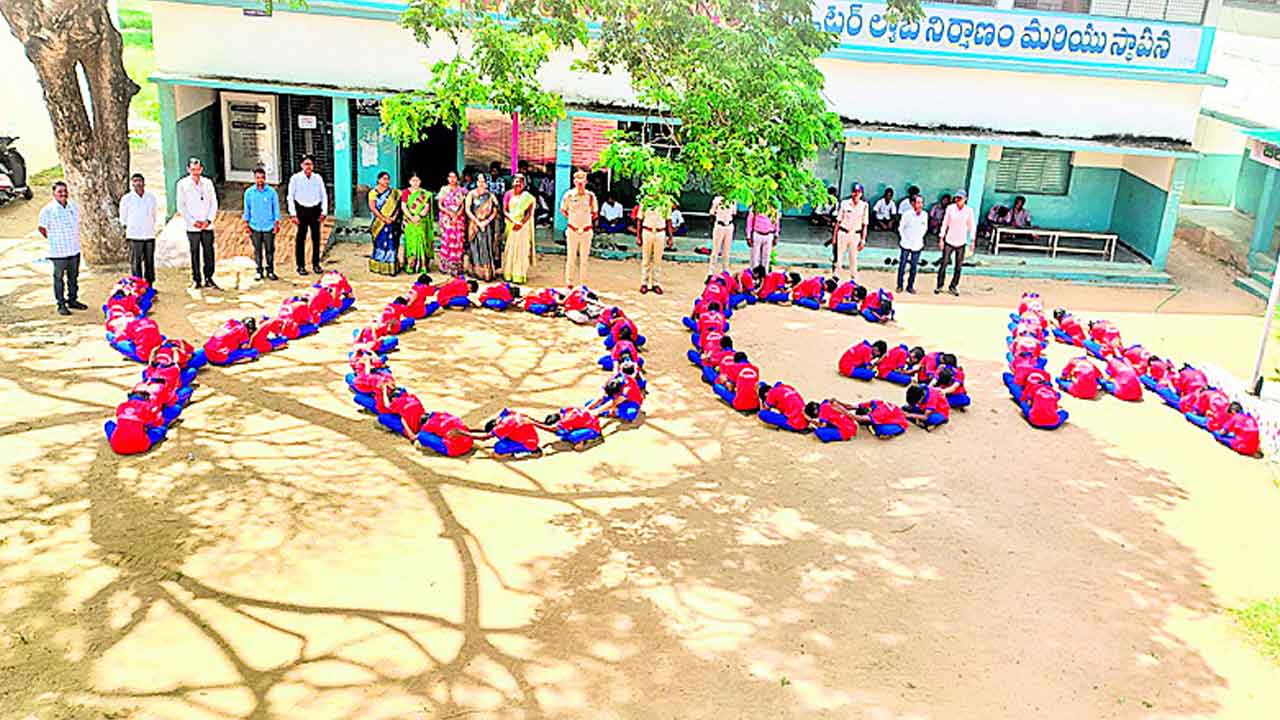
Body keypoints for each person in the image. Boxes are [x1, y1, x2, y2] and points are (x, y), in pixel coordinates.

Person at [38, 181, 87, 316]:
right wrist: (53, 239)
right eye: (60, 191)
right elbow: (42, 228)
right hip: (58, 251)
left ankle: (73, 300)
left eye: (65, 191)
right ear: (54, 193)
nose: (63, 194)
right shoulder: (48, 210)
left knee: (73, 277)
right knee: (58, 279)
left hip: (74, 248)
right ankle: (61, 304)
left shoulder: (73, 206)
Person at [175, 157, 219, 290]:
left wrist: (209, 220)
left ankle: (209, 277)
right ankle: (196, 279)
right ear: (188, 169)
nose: (195, 172)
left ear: (201, 169)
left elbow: (214, 202)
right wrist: (193, 221)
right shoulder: (182, 184)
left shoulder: (207, 183)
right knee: (194, 252)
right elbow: (181, 206)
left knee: (209, 252)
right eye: (192, 169)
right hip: (192, 226)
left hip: (207, 224)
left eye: (197, 169)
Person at [119, 173, 162, 287]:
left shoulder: (151, 197)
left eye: (140, 181)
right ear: (132, 183)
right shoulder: (127, 199)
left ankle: (149, 285)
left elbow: (154, 215)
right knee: (136, 261)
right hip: (135, 235)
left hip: (149, 233)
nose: (137, 183)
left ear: (144, 182)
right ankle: (138, 285)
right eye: (135, 181)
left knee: (149, 261)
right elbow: (123, 218)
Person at [241, 167, 281, 281]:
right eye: (258, 178)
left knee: (270, 250)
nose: (260, 180)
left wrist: (276, 223)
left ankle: (270, 270)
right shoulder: (249, 193)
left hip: (268, 226)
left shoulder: (272, 192)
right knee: (257, 250)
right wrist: (246, 224)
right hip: (255, 226)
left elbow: (276, 209)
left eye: (262, 178)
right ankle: (259, 271)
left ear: (265, 178)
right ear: (254, 179)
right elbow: (247, 209)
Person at [560, 170, 598, 287]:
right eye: (578, 181)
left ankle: (583, 284)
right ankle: (569, 283)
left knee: (584, 259)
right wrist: (573, 220)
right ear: (574, 182)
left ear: (586, 181)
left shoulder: (590, 196)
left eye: (582, 181)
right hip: (572, 231)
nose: (580, 184)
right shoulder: (569, 195)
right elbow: (563, 210)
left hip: (586, 231)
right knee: (571, 258)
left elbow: (595, 212)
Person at [936, 188, 975, 296]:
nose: (958, 200)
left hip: (961, 242)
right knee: (944, 264)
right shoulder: (950, 208)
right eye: (956, 198)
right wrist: (941, 238)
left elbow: (971, 226)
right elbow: (945, 223)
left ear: (965, 199)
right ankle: (939, 285)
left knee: (958, 266)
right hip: (949, 240)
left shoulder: (969, 211)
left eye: (960, 198)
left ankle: (953, 286)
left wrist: (972, 240)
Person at [464, 173, 502, 281]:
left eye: (484, 181)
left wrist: (486, 221)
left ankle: (487, 272)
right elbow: (467, 210)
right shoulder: (471, 194)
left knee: (486, 247)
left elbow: (495, 211)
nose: (482, 183)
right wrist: (477, 222)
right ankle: (476, 271)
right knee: (474, 247)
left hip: (487, 226)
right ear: (476, 182)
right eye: (479, 181)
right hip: (474, 226)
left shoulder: (490, 196)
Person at [503, 174, 537, 284]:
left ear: (524, 184)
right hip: (510, 225)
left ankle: (519, 275)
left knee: (521, 251)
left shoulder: (528, 197)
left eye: (521, 182)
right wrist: (513, 221)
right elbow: (504, 210)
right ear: (512, 182)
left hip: (522, 227)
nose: (518, 184)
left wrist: (521, 223)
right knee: (510, 250)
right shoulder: (508, 194)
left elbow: (529, 213)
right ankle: (508, 274)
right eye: (516, 181)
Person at [636, 197, 672, 294]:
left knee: (657, 260)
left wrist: (670, 237)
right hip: (647, 231)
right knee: (646, 259)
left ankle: (656, 284)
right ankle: (644, 283)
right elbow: (639, 219)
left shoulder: (666, 202)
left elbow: (668, 220)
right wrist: (638, 236)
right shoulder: (645, 202)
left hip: (660, 232)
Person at [400, 173, 435, 276]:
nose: (415, 183)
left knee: (422, 242)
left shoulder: (425, 194)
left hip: (421, 221)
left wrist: (418, 216)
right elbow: (404, 206)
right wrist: (411, 217)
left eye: (417, 180)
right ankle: (410, 265)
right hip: (409, 222)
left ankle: (423, 265)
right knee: (411, 243)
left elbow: (426, 207)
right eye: (413, 180)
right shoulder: (405, 193)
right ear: (409, 181)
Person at [830, 183, 868, 276]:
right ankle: (836, 278)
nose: (856, 194)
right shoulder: (845, 203)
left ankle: (853, 279)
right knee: (839, 258)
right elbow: (838, 222)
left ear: (861, 194)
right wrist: (834, 238)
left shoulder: (864, 206)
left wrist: (863, 240)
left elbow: (865, 224)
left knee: (853, 259)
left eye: (858, 192)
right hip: (843, 233)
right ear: (852, 193)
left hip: (855, 235)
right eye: (854, 192)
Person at [367, 171, 400, 275]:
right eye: (384, 179)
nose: (386, 181)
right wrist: (382, 218)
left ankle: (391, 266)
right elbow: (372, 208)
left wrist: (393, 217)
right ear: (378, 180)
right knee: (380, 242)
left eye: (388, 179)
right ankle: (378, 266)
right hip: (379, 222)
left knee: (391, 243)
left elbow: (398, 206)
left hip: (391, 222)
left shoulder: (394, 193)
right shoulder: (373, 192)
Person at [437, 170, 468, 276]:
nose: (452, 179)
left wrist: (457, 215)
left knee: (458, 241)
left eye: (454, 177)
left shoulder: (462, 190)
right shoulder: (444, 189)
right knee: (447, 241)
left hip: (458, 219)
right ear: (447, 178)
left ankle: (457, 267)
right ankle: (445, 266)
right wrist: (449, 214)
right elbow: (440, 205)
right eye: (450, 177)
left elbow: (463, 205)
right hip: (447, 218)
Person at [896, 193, 927, 293]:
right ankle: (900, 285)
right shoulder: (907, 215)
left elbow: (924, 228)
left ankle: (910, 286)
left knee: (914, 267)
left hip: (917, 245)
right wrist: (905, 239)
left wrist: (918, 238)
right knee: (903, 265)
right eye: (918, 202)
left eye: (921, 202)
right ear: (913, 203)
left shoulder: (924, 215)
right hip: (906, 243)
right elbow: (901, 228)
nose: (920, 205)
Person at [708, 194, 736, 273]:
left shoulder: (733, 200)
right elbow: (712, 213)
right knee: (715, 251)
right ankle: (711, 271)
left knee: (726, 251)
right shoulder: (717, 200)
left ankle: (725, 270)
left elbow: (734, 213)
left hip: (729, 226)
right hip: (719, 225)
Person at [747, 206, 780, 272]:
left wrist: (776, 234)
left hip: (769, 235)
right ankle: (754, 276)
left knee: (766, 258)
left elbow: (776, 220)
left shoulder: (773, 206)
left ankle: (764, 277)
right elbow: (750, 221)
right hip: (757, 234)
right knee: (755, 258)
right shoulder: (756, 206)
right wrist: (748, 236)